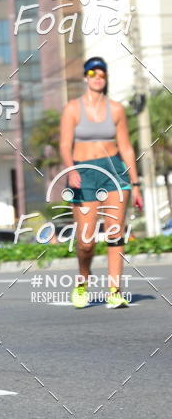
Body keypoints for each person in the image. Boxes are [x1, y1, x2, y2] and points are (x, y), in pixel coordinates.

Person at [59, 57, 143, 308]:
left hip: (114, 172)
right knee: (86, 241)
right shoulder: (72, 109)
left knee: (115, 232)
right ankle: (83, 280)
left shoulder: (116, 109)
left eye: (102, 74)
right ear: (85, 77)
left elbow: (126, 148)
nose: (97, 77)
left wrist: (136, 184)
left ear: (106, 78)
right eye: (92, 73)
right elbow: (65, 144)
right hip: (83, 172)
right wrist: (71, 170)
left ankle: (115, 290)